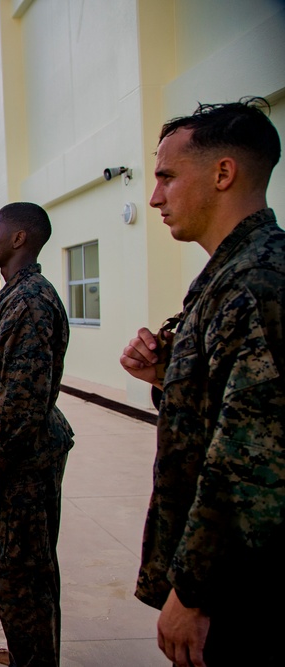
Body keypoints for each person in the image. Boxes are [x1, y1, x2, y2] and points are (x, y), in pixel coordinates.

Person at [119, 98, 283, 667]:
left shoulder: (259, 281)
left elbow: (248, 465)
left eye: (166, 176)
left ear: (222, 174)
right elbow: (226, 409)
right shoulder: (225, 277)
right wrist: (167, 376)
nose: (154, 196)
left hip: (243, 592)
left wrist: (193, 591)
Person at [0, 202, 72, 667]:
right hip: (15, 457)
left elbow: (23, 397)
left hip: (21, 462)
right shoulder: (14, 294)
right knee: (24, 570)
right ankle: (30, 651)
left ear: (19, 239)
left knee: (21, 575)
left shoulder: (29, 300)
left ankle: (35, 659)